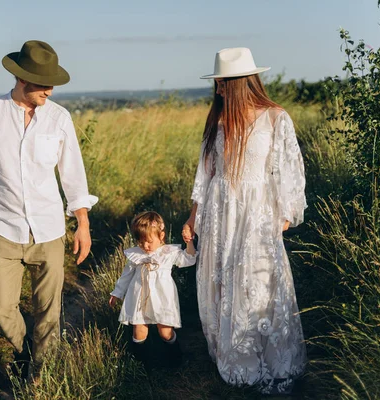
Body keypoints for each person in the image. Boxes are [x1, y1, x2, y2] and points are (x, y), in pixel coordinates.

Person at [0, 40, 98, 377]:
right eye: (44, 84)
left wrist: (83, 224)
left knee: (49, 311)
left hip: (48, 230)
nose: (49, 90)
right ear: (22, 79)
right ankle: (27, 349)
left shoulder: (60, 119)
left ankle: (41, 378)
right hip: (1, 228)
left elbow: (73, 174)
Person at [182, 47, 307, 394]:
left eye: (222, 85)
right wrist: (193, 218)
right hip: (222, 212)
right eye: (217, 85)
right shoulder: (217, 121)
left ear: (239, 83)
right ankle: (236, 358)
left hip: (257, 213)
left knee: (259, 285)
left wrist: (284, 215)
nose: (218, 91)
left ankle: (269, 358)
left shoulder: (275, 118)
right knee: (224, 284)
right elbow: (205, 175)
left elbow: (289, 169)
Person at [109, 211, 197, 367]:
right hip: (140, 297)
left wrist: (189, 242)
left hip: (163, 298)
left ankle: (176, 358)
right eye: (141, 242)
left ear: (161, 236)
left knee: (165, 333)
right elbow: (126, 276)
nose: (145, 246)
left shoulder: (169, 253)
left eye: (149, 241)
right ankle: (140, 363)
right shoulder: (136, 255)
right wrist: (117, 293)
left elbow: (188, 259)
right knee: (139, 332)